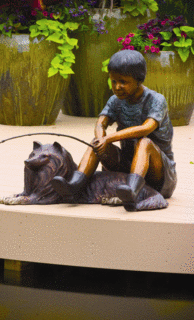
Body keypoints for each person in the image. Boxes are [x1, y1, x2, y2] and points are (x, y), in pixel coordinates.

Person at [51, 49, 177, 211]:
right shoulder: (116, 100)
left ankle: (133, 190)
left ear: (139, 80)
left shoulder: (156, 100)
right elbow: (100, 124)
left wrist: (109, 139)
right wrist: (100, 139)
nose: (117, 87)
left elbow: (146, 128)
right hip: (127, 167)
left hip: (159, 176)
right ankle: (74, 186)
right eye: (113, 81)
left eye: (123, 82)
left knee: (144, 142)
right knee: (96, 142)